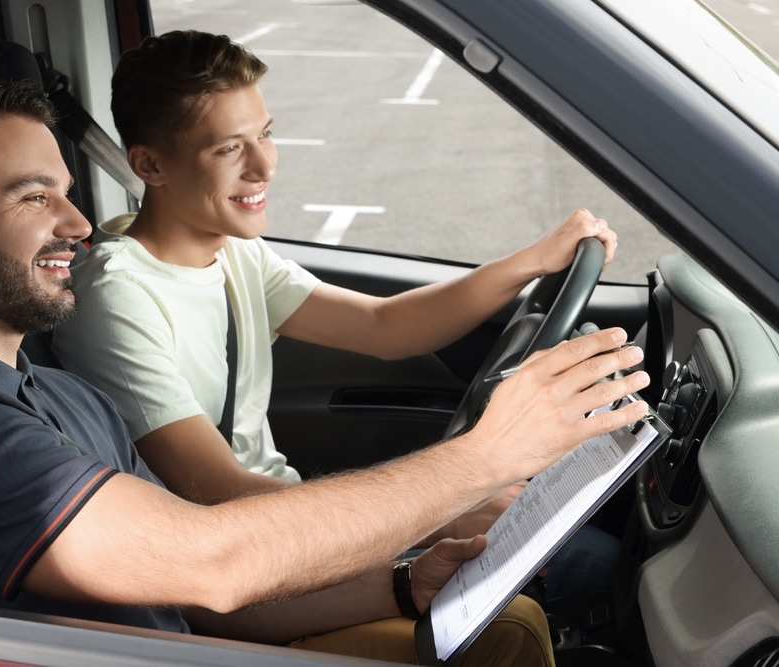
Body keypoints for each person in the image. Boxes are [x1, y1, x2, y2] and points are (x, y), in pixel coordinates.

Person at [0, 69, 649, 666]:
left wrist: (399, 587)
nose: (77, 221)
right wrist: (484, 458)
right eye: (34, 197)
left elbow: (193, 600)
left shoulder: (55, 394)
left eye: (68, 192)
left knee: (509, 630)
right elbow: (212, 562)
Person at [50, 29, 621, 593]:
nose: (264, 166)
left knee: (575, 544)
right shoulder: (116, 297)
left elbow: (386, 327)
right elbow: (223, 493)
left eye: (266, 134)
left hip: (289, 530)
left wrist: (532, 261)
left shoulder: (235, 251)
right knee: (601, 569)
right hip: (247, 567)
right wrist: (443, 509)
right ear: (150, 166)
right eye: (229, 148)